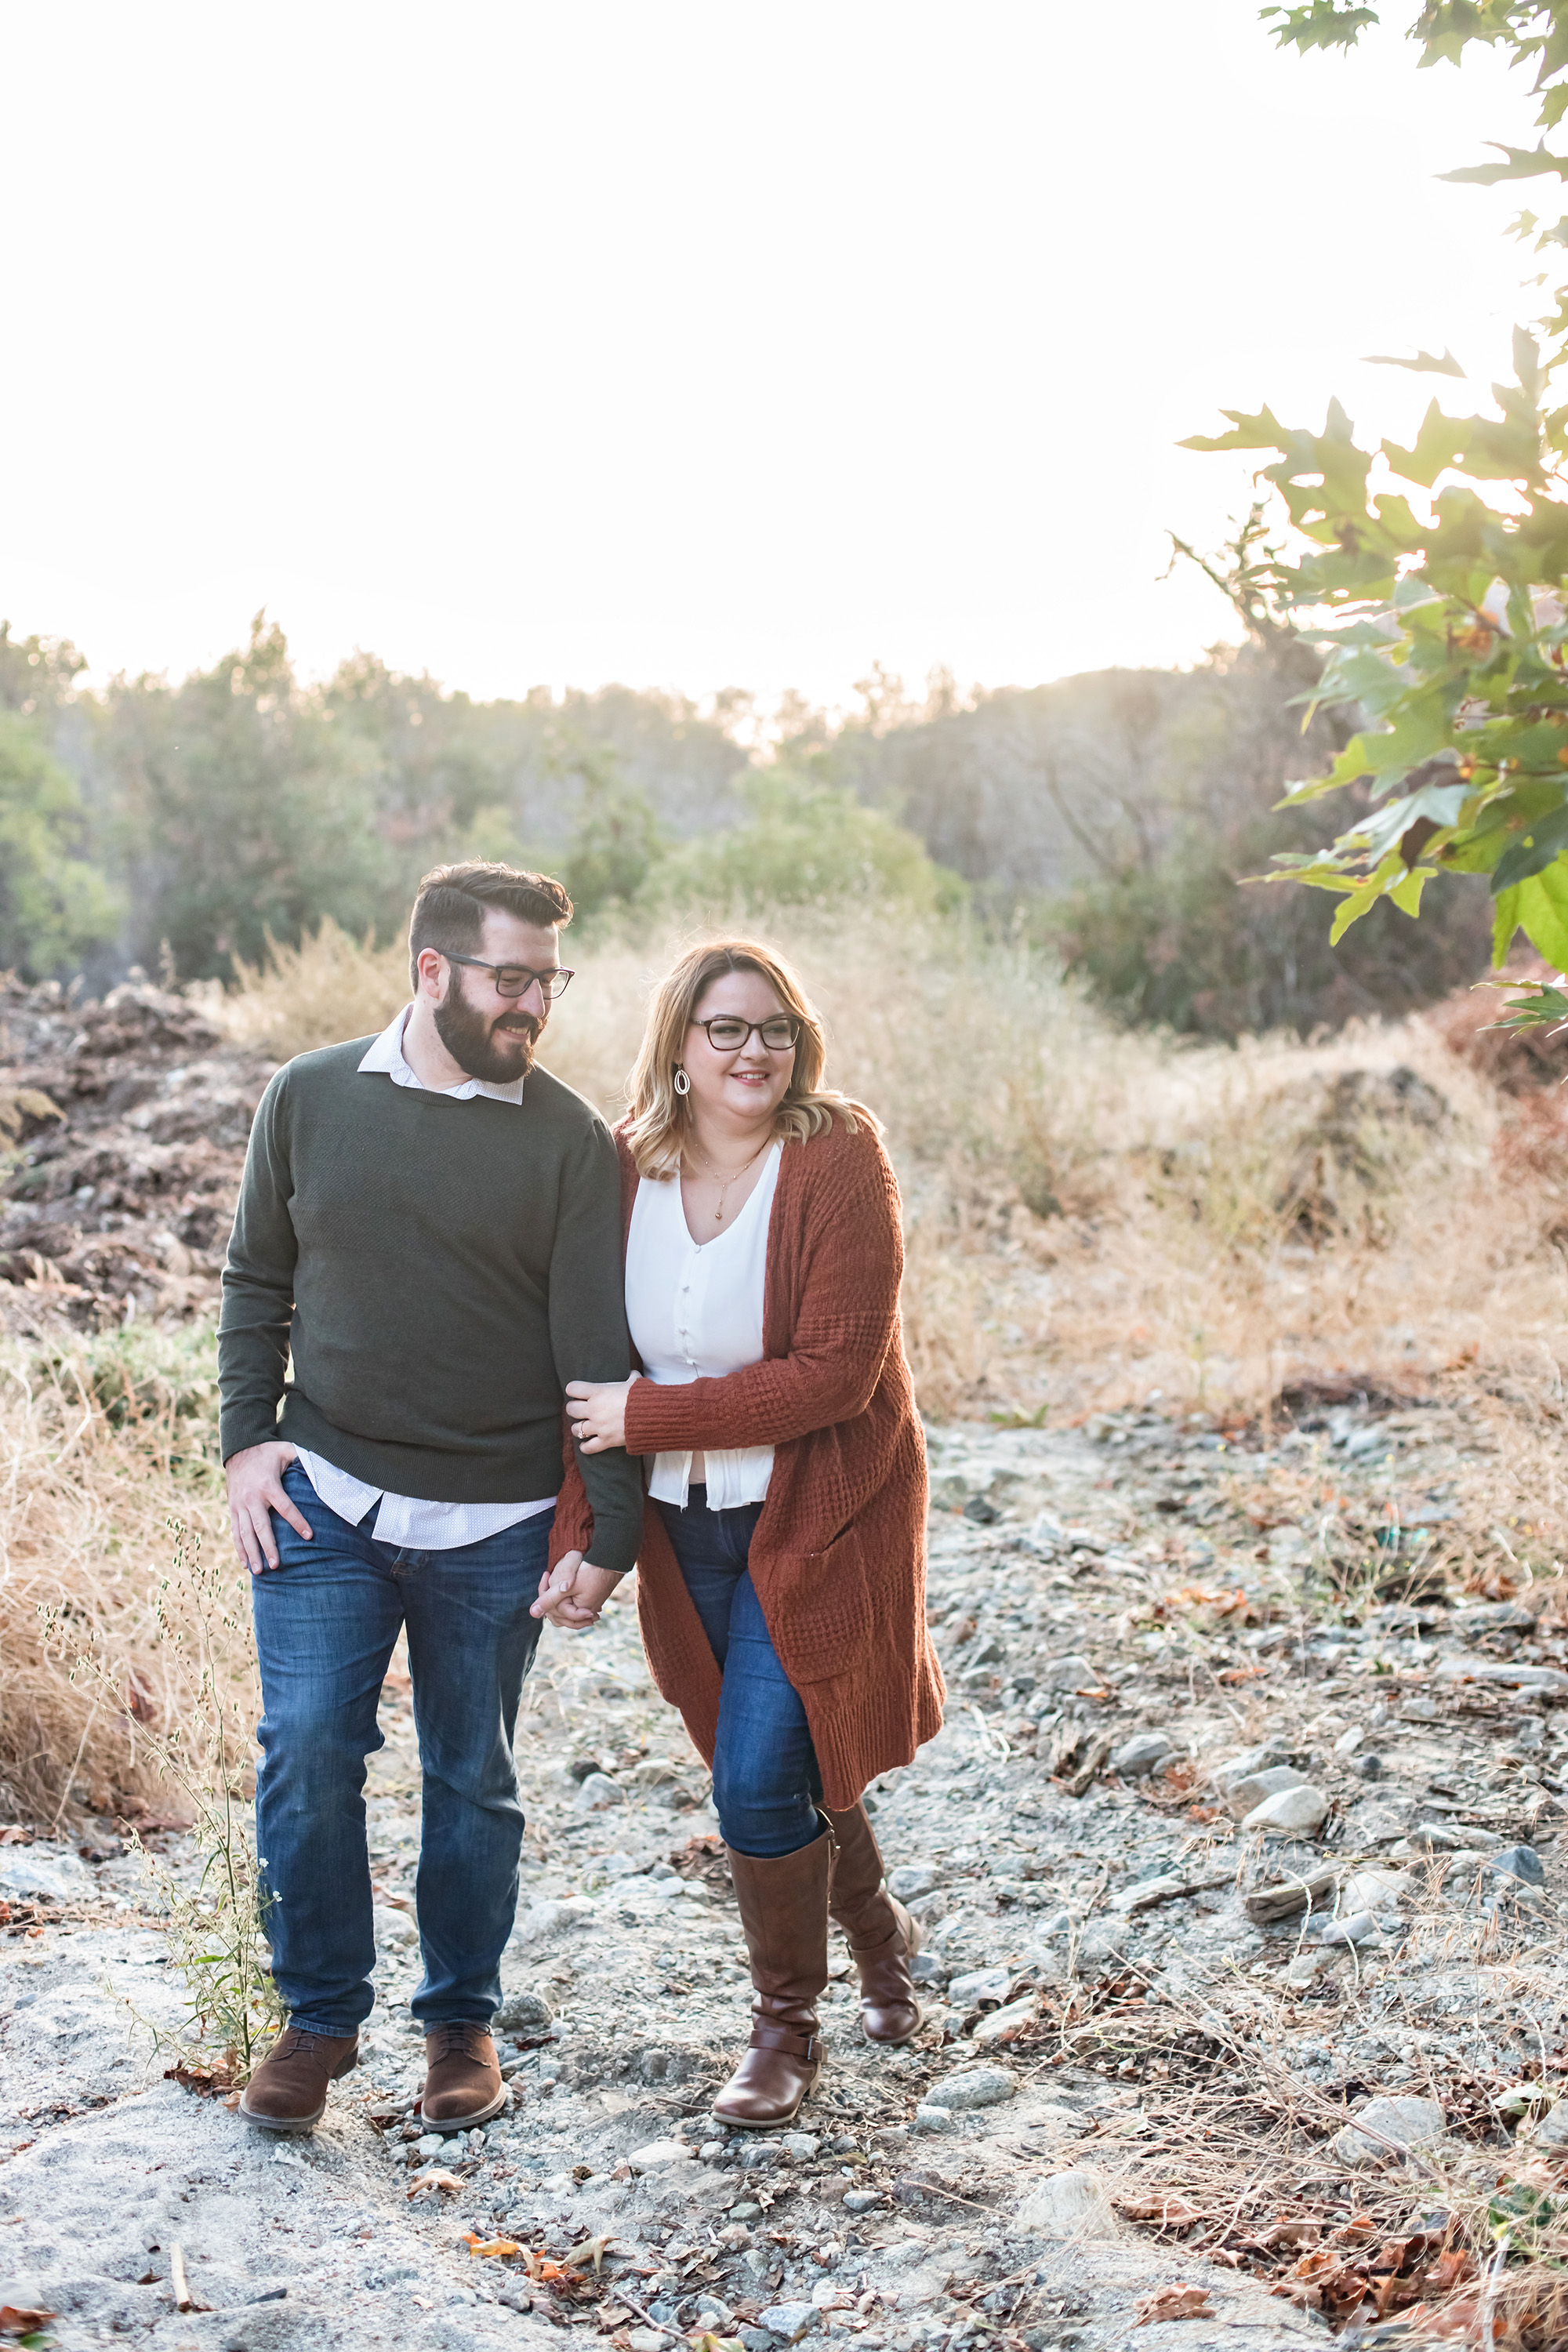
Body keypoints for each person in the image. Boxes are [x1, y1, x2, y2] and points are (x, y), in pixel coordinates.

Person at [218, 862, 642, 2136]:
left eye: (548, 983)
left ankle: (460, 2022)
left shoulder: (570, 1143)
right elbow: (256, 1282)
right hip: (323, 1496)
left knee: (474, 1775)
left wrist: (610, 1531)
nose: (533, 1007)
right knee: (304, 1753)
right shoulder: (308, 1096)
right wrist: (245, 1445)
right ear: (432, 971)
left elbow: (595, 1355)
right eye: (512, 980)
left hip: (493, 1521)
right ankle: (318, 2024)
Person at [535, 939, 944, 2128]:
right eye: (726, 1029)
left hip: (818, 1514)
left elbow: (833, 1374)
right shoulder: (621, 1168)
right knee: (777, 1752)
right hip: (680, 1528)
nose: (753, 1051)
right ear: (678, 1047)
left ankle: (784, 2030)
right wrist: (583, 1523)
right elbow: (584, 1370)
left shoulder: (836, 1157)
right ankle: (882, 1932)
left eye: (774, 1028)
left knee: (759, 1783)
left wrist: (647, 1415)